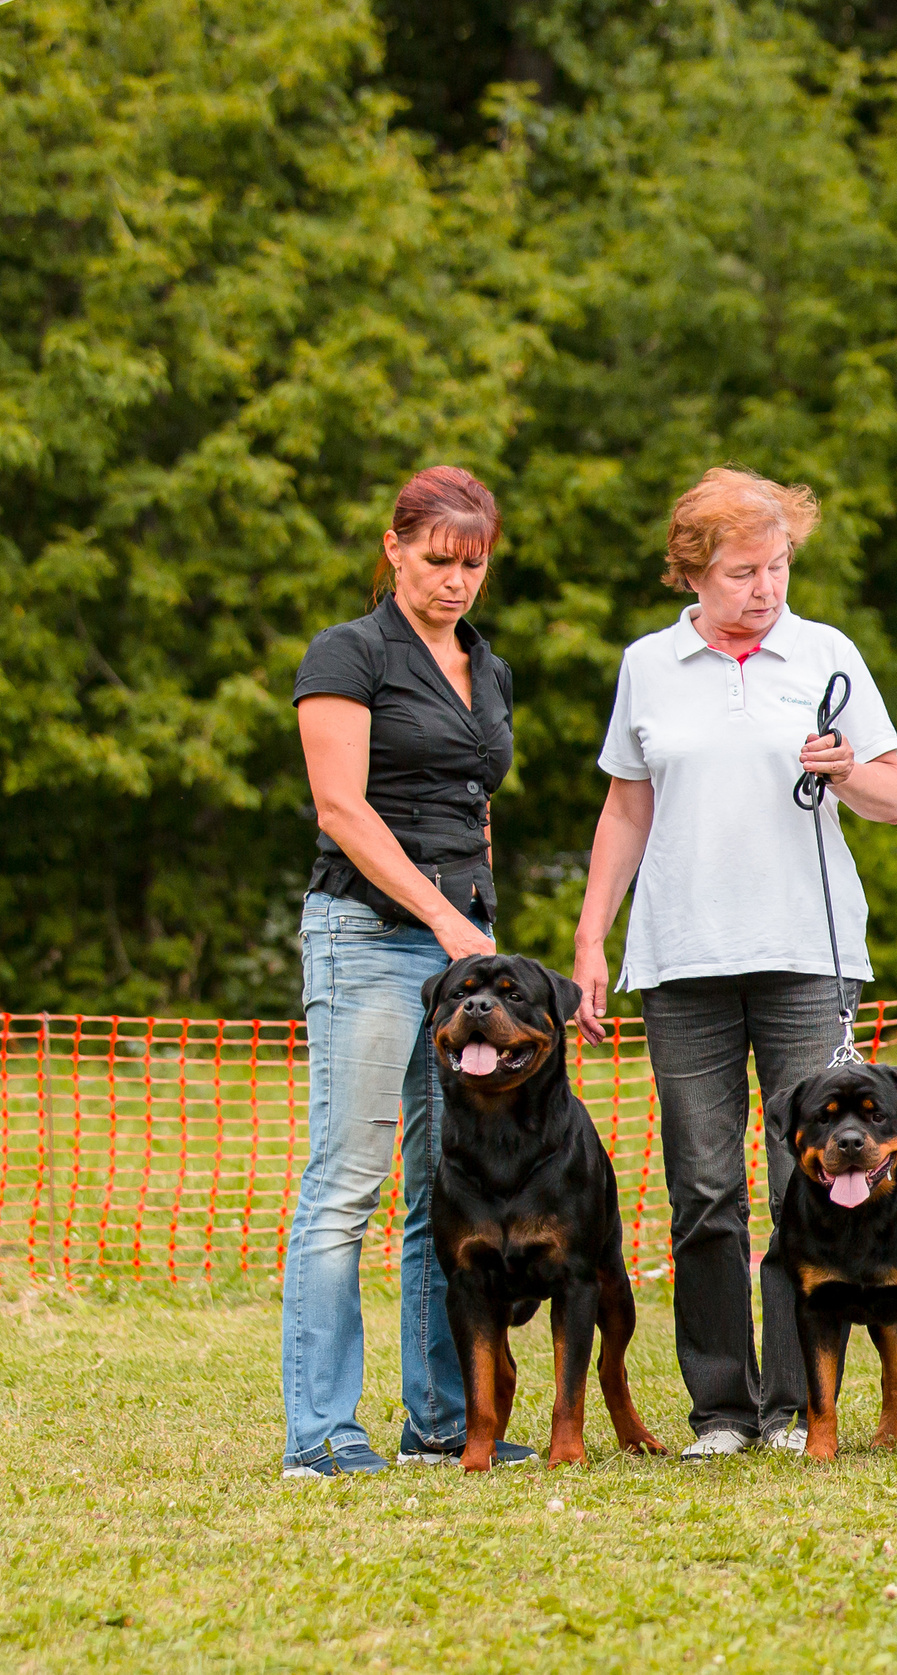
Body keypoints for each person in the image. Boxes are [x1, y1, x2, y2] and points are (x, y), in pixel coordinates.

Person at [571, 467, 897, 1459]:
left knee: (798, 1183)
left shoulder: (826, 654)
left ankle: (800, 1405)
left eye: (778, 566)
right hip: (681, 962)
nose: (766, 588)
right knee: (704, 1188)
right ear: (693, 573)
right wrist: (593, 936)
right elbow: (626, 806)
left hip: (808, 956)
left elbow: (891, 796)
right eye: (742, 570)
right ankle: (721, 1408)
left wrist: (845, 768)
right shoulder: (649, 664)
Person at [282, 466, 520, 1476]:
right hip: (371, 940)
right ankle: (324, 1434)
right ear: (393, 548)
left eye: (472, 565)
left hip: (461, 954)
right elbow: (342, 809)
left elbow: (476, 809)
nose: (455, 582)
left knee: (446, 1190)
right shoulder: (348, 653)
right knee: (347, 1186)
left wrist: (480, 932)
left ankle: (439, 1425)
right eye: (436, 562)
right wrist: (438, 921)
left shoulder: (486, 665)